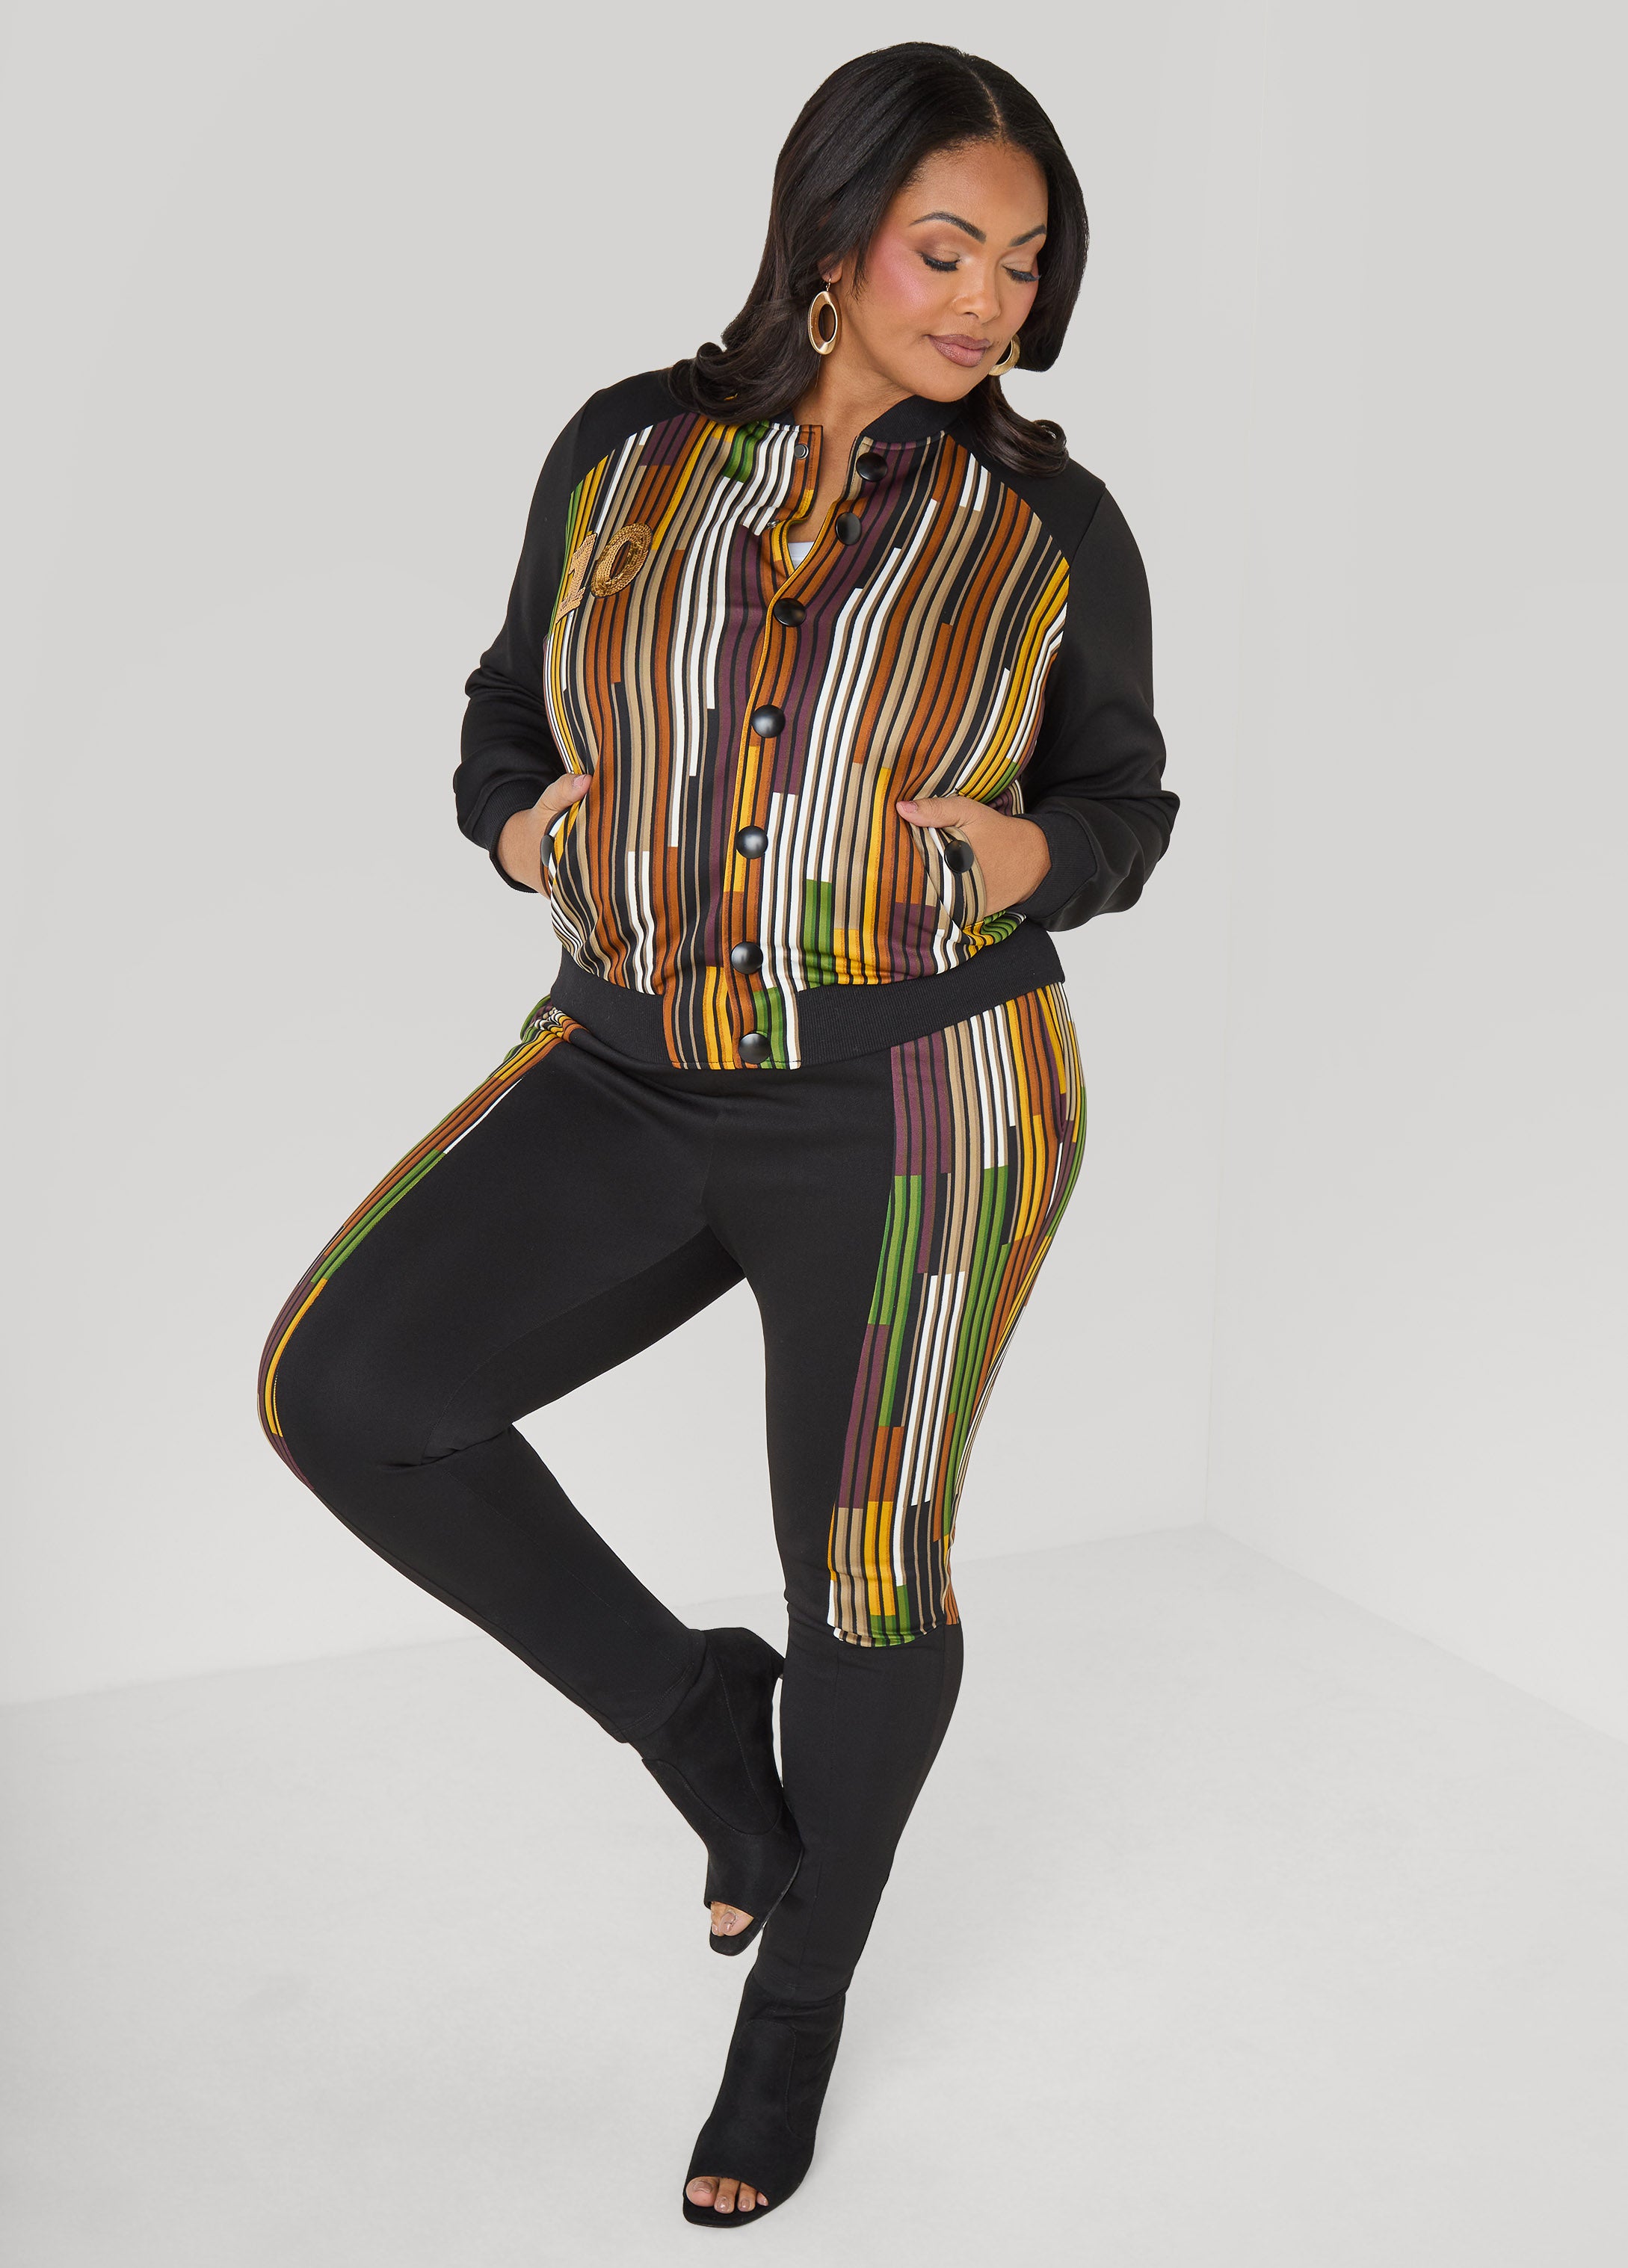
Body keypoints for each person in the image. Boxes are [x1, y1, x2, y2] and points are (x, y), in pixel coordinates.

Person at [256, 38, 1178, 2228]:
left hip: (924, 1095)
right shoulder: (625, 449)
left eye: (1023, 263)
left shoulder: (1052, 529)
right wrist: (523, 828)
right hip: (624, 1062)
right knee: (346, 1390)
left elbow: (1125, 806)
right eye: (945, 249)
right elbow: (503, 713)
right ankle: (696, 1722)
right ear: (831, 237)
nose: (987, 300)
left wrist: (1028, 855)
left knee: (864, 1569)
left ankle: (799, 2007)